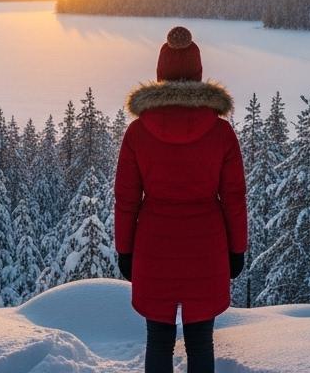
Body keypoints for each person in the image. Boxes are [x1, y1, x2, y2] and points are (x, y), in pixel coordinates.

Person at [114, 26, 247, 373]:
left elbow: (126, 199)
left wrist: (124, 249)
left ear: (160, 73)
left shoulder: (138, 131)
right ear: (199, 73)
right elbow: (234, 197)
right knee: (201, 342)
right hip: (207, 248)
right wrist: (238, 249)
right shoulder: (220, 132)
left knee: (158, 341)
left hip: (153, 246)